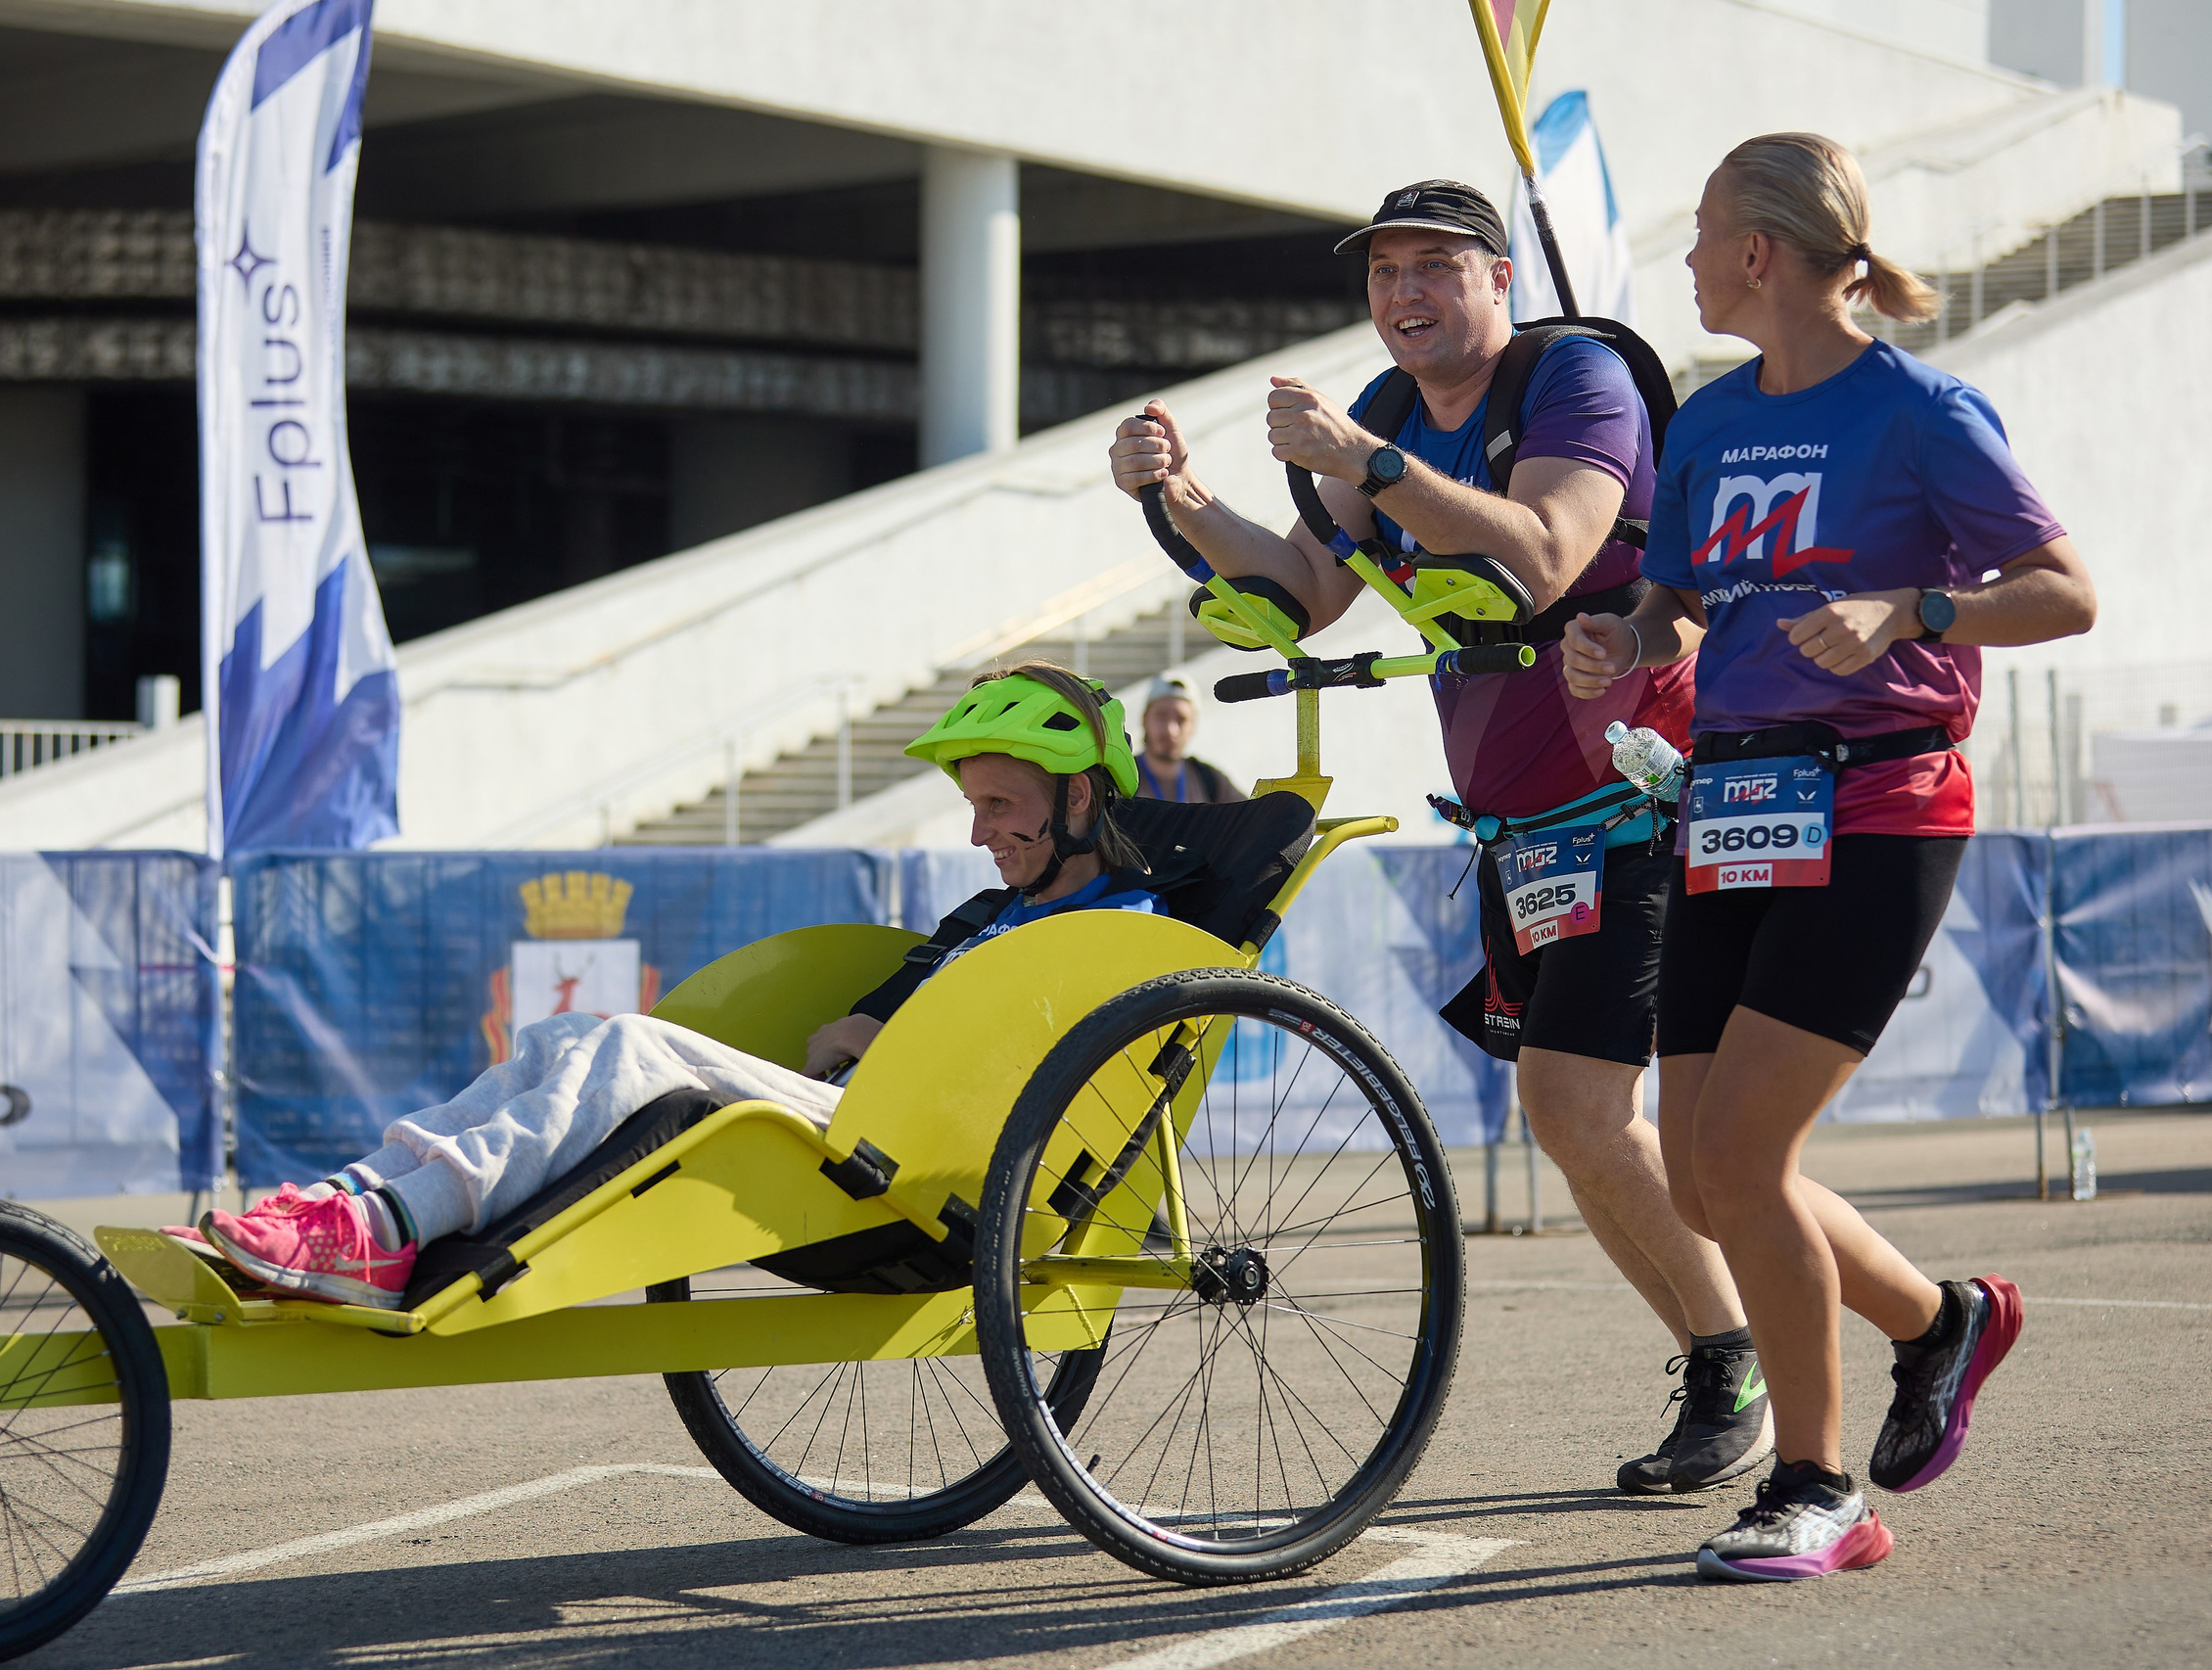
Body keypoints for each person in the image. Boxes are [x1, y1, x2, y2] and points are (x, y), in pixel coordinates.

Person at [1111, 179, 1763, 1495]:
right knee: (1569, 1116)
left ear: (1501, 275)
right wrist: (1180, 497)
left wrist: (1369, 464)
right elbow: (1298, 592)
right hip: (1526, 827)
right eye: (1384, 272)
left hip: (1653, 795)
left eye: (1434, 267)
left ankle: (1752, 1356)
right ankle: (1752, 1348)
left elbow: (1542, 549)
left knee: (1591, 1106)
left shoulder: (1575, 380)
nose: (1404, 294)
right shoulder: (1398, 409)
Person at [1564, 132, 2095, 1581]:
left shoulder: (1922, 411)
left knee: (1741, 1153)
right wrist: (1628, 635)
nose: (1683, 260)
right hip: (1733, 806)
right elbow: (1681, 604)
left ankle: (1818, 1486)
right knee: (1700, 1170)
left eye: (1703, 233)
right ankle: (1941, 1321)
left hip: (1880, 807)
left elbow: (2063, 591)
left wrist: (1910, 608)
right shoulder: (1711, 424)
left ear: (1761, 254)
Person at [182, 663, 1160, 1309]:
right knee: (568, 1034)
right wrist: (864, 1025)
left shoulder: (1121, 931)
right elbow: (883, 1007)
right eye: (973, 804)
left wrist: (890, 1046)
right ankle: (350, 1202)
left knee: (631, 1046)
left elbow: (1035, 1072)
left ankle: (387, 1228)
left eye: (1001, 804)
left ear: (1079, 795)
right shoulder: (988, 915)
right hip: (856, 1113)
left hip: (933, 1161)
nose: (980, 830)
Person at [1135, 675, 1249, 804]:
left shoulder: (1210, 780)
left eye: (1181, 719)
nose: (1171, 730)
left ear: (1193, 725)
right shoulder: (1118, 780)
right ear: (1144, 720)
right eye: (1161, 716)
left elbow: (1252, 818)